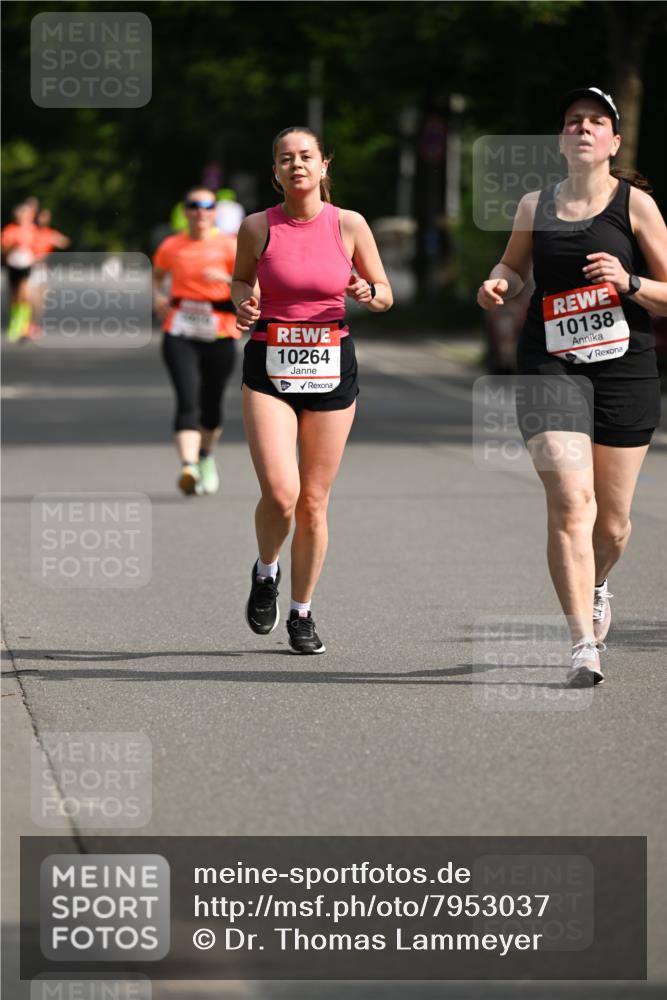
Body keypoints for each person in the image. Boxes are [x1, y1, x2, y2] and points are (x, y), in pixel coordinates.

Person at [477, 87, 667, 687]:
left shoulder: (636, 207)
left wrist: (629, 279)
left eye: (595, 122)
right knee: (571, 502)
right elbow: (513, 265)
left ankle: (599, 582)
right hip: (551, 365)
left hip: (624, 368)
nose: (583, 129)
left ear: (613, 141)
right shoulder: (537, 205)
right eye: (572, 122)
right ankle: (582, 643)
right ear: (562, 140)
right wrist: (498, 283)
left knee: (611, 525)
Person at [232, 126, 393, 654]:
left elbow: (384, 293)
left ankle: (302, 613)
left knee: (314, 502)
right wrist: (244, 303)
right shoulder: (258, 227)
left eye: (306, 156)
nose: (296, 165)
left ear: (325, 165)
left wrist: (369, 292)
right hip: (271, 364)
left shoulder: (349, 224)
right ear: (274, 172)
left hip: (330, 364)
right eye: (285, 158)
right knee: (281, 494)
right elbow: (240, 282)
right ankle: (265, 571)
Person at [153, 187, 240, 495]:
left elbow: (253, 287)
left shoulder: (231, 245)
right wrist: (158, 296)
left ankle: (205, 457)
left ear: (215, 211)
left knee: (211, 406)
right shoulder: (172, 245)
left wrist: (227, 280)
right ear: (186, 211)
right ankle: (188, 467)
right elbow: (157, 274)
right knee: (187, 399)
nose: (200, 212)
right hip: (180, 331)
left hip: (220, 332)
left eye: (207, 206)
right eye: (194, 206)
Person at [30, 208, 70, 338]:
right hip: (30, 268)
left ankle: (35, 325)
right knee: (31, 298)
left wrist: (55, 240)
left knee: (42, 300)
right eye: (43, 216)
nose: (45, 219)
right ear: (38, 217)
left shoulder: (49, 233)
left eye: (47, 217)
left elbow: (65, 242)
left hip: (42, 269)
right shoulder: (32, 231)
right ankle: (27, 324)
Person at [2, 203, 39, 341]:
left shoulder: (32, 230)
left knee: (25, 294)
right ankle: (14, 324)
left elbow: (37, 247)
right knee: (14, 296)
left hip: (26, 265)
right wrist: (13, 244)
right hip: (13, 264)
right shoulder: (10, 230)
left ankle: (24, 325)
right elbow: (4, 249)